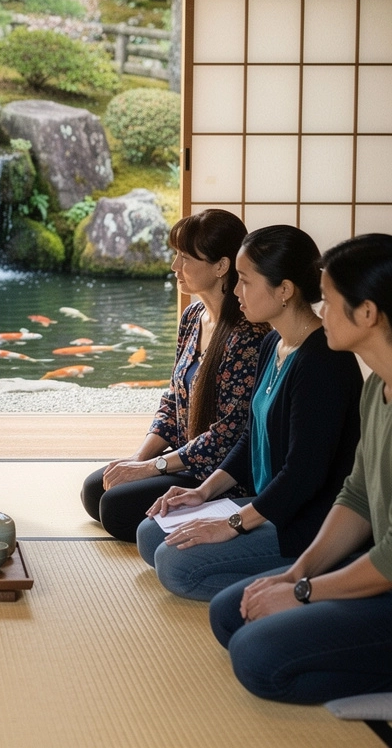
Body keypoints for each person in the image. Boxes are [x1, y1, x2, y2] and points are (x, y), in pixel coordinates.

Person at [209, 233, 392, 704]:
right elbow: (356, 497)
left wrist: (306, 591)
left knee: (257, 657)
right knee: (231, 613)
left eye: (329, 301)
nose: (320, 310)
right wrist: (296, 576)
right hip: (371, 567)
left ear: (367, 313)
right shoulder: (378, 389)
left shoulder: (327, 366)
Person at [137, 225, 362, 601]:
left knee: (176, 565)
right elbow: (248, 436)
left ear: (285, 290)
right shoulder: (273, 341)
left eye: (244, 281)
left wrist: (233, 524)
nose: (236, 292)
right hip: (268, 502)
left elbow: (303, 475)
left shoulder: (323, 361)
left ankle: (311, 583)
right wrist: (203, 494)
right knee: (151, 535)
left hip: (305, 517)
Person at [80, 209, 269, 542]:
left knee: (113, 508)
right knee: (95, 489)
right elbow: (172, 401)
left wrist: (154, 467)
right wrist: (140, 458)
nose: (174, 267)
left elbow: (228, 436)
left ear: (221, 266)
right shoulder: (193, 315)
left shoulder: (247, 334)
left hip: (219, 473)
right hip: (182, 458)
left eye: (185, 258)